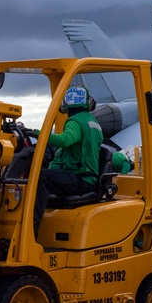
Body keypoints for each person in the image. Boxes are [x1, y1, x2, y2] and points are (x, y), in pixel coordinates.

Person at [33, 84, 104, 234]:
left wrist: (39, 134)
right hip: (89, 177)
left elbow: (65, 140)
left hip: (81, 179)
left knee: (41, 177)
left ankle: (31, 227)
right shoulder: (93, 122)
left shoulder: (75, 122)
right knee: (47, 175)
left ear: (65, 104)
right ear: (89, 102)